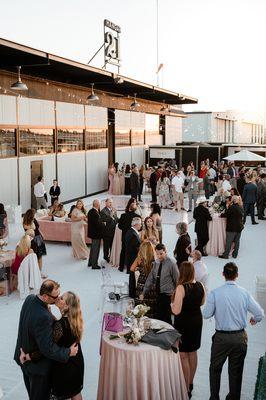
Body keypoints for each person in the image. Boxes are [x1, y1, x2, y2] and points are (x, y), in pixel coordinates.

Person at [203, 262, 264, 400]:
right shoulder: (244, 293)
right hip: (240, 337)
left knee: (215, 369)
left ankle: (214, 397)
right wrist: (255, 319)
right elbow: (260, 313)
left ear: (223, 274)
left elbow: (206, 314)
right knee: (236, 372)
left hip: (221, 338)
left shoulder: (215, 293)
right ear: (237, 275)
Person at [14, 280, 78, 400]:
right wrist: (68, 352)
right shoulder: (43, 317)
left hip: (22, 357)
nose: (58, 299)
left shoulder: (30, 299)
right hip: (38, 368)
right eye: (55, 296)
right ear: (45, 296)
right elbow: (47, 348)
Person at [171, 261, 205, 397]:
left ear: (182, 272)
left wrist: (171, 305)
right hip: (197, 321)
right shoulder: (201, 285)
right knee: (193, 352)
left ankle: (185, 389)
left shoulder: (181, 288)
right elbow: (202, 302)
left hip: (184, 323)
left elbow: (177, 311)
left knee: (183, 355)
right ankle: (190, 382)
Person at [142, 243, 179, 325]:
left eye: (161, 254)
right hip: (158, 294)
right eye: (157, 254)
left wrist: (176, 297)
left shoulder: (171, 264)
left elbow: (177, 280)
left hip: (168, 295)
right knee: (158, 318)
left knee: (166, 319)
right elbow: (150, 279)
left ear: (165, 252)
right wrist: (144, 292)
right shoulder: (156, 263)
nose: (159, 256)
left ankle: (169, 336)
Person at [131, 241, 156, 317]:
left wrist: (138, 269)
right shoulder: (155, 260)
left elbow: (132, 268)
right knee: (151, 303)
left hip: (142, 284)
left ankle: (141, 319)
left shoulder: (140, 259)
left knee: (141, 303)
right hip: (152, 285)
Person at [23, 208, 47, 276]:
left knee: (39, 257)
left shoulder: (34, 219)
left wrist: (42, 234)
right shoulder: (26, 222)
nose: (35, 215)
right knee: (34, 257)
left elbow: (37, 228)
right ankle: (35, 273)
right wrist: (32, 220)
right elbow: (32, 228)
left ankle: (39, 272)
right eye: (34, 214)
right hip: (32, 240)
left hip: (39, 238)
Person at [118, 198, 140, 271]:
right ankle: (129, 268)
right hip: (134, 237)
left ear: (129, 208)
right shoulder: (137, 216)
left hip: (125, 236)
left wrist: (125, 230)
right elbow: (140, 228)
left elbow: (119, 226)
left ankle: (121, 267)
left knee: (123, 251)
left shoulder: (123, 215)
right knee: (132, 253)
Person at [219, 195, 244, 259]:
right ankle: (235, 254)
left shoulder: (231, 207)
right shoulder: (240, 207)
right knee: (237, 241)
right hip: (239, 227)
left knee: (229, 242)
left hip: (232, 227)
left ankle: (226, 255)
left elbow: (226, 215)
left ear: (232, 200)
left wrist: (220, 215)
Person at [125, 217, 142, 297]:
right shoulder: (133, 234)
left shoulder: (130, 231)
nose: (141, 225)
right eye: (140, 224)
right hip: (133, 258)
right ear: (136, 224)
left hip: (131, 257)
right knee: (133, 277)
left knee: (132, 276)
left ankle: (132, 293)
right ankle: (132, 294)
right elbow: (135, 249)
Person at [87, 199, 104, 269]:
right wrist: (104, 224)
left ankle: (90, 262)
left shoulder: (90, 211)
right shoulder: (95, 213)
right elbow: (98, 224)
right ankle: (94, 265)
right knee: (95, 250)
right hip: (96, 234)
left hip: (92, 233)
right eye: (99, 204)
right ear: (97, 205)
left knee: (92, 249)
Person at [100, 198, 118, 263]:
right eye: (109, 202)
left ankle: (111, 256)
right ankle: (105, 257)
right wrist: (111, 215)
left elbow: (116, 219)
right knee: (106, 246)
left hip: (114, 231)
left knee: (112, 245)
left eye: (111, 202)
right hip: (107, 232)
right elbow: (105, 220)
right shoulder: (103, 211)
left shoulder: (113, 210)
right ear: (106, 203)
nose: (111, 204)